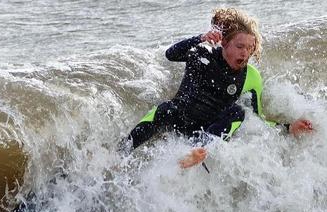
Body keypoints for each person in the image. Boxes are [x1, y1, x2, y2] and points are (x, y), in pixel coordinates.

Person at [120, 7, 313, 168]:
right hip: (179, 119)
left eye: (249, 48)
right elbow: (171, 54)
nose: (245, 53)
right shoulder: (202, 52)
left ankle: (196, 153)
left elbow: (257, 120)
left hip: (207, 133)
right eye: (239, 46)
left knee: (238, 112)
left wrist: (288, 127)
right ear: (225, 43)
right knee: (165, 109)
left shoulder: (251, 76)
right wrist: (199, 38)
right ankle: (120, 154)